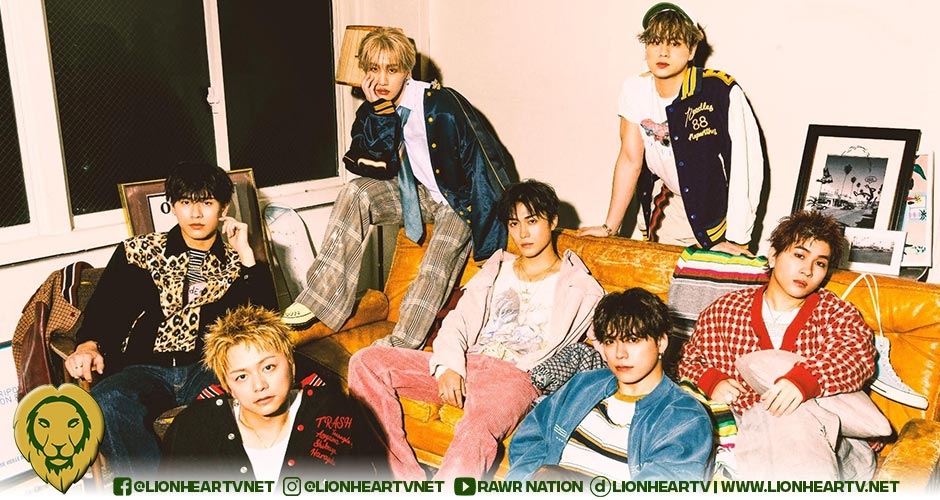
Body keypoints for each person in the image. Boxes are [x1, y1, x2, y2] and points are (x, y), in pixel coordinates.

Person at [347, 180, 605, 480]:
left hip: (516, 377)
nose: (523, 233)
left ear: (553, 221)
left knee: (476, 428)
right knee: (367, 361)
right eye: (514, 223)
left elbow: (608, 341)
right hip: (469, 362)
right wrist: (449, 366)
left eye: (532, 221)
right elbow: (458, 321)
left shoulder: (581, 287)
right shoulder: (497, 269)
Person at [282, 27, 513, 352]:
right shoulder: (375, 106)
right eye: (373, 69)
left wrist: (493, 234)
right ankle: (320, 297)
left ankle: (400, 344)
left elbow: (484, 160)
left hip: (457, 200)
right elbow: (369, 164)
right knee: (355, 192)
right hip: (418, 195)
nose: (382, 79)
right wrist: (378, 111)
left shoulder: (442, 103)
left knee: (434, 265)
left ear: (407, 71)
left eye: (391, 70)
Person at [65, 162, 278, 477]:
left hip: (208, 367)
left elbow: (264, 324)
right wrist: (87, 344)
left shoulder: (236, 261)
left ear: (224, 208)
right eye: (186, 202)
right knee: (106, 400)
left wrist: (247, 257)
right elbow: (105, 309)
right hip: (144, 368)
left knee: (230, 402)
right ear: (173, 206)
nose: (196, 213)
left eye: (207, 203)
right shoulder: (139, 252)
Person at [678, 210, 877, 480]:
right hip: (749, 436)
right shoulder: (725, 310)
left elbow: (856, 355)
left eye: (820, 263)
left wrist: (805, 381)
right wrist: (711, 380)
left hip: (827, 439)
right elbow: (688, 361)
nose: (807, 270)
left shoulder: (836, 312)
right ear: (773, 256)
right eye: (799, 255)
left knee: (790, 417)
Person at [578, 2, 763, 256]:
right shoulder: (634, 90)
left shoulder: (720, 91)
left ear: (692, 50)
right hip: (670, 207)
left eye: (674, 43)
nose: (663, 52)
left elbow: (746, 167)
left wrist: (738, 238)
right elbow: (630, 159)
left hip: (716, 214)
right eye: (655, 42)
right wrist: (609, 227)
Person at [506, 288, 714, 481]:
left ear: (661, 342)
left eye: (632, 340)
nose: (619, 353)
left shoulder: (684, 417)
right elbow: (530, 439)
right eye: (610, 341)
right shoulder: (583, 385)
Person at [162, 305, 389, 480]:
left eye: (268, 367)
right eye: (241, 376)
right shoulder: (195, 426)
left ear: (291, 366)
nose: (259, 385)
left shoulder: (333, 412)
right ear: (227, 386)